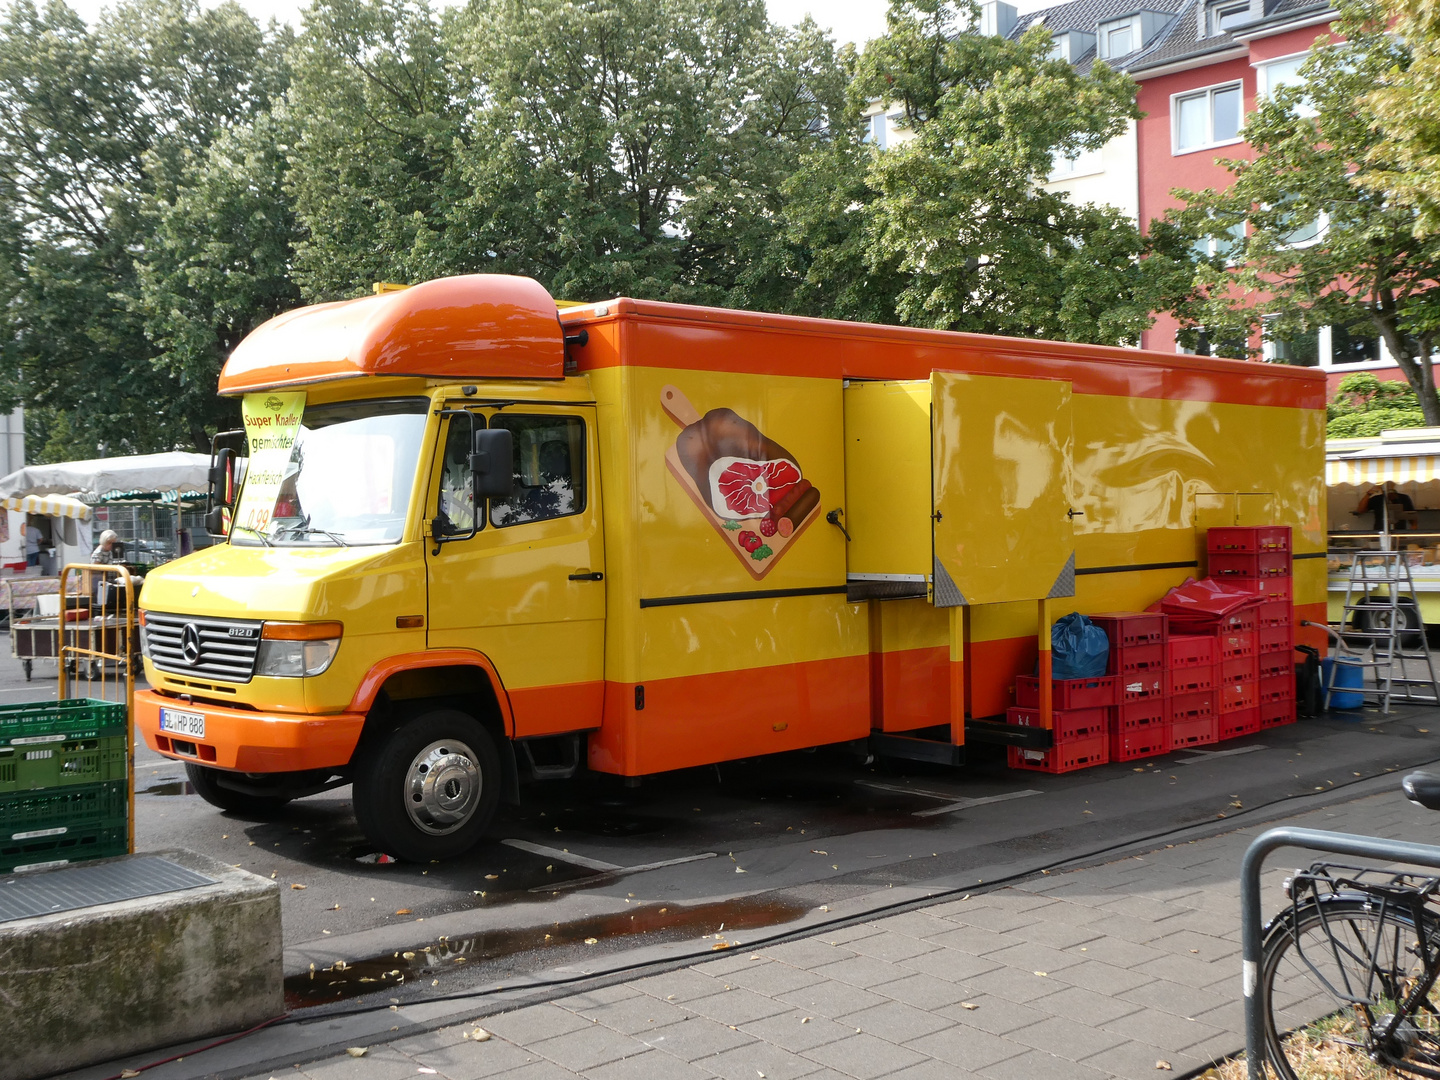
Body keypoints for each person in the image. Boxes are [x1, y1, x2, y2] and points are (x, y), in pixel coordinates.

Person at [1354, 482, 1418, 532]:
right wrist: (1369, 493)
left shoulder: (1404, 498)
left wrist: (1413, 527)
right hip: (1380, 533)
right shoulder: (1377, 499)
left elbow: (1411, 515)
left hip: (1399, 534)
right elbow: (1360, 510)